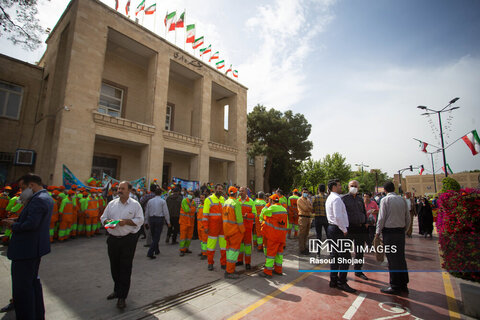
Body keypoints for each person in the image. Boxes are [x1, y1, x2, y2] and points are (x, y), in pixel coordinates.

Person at [3, 173, 53, 319]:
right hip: (34, 248)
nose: (21, 190)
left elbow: (31, 224)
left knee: (22, 288)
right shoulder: (44, 197)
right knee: (32, 284)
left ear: (31, 185)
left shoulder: (38, 200)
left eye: (22, 187)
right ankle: (36, 314)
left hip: (27, 250)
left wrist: (14, 225)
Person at [100, 181, 144, 309]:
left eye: (123, 188)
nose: (120, 190)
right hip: (113, 240)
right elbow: (103, 218)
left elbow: (140, 220)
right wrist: (107, 221)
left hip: (128, 241)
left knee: (125, 268)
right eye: (119, 188)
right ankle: (117, 289)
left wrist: (126, 222)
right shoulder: (112, 204)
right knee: (114, 266)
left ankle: (122, 297)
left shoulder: (135, 205)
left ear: (129, 190)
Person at [376, 181, 410, 295]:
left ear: (385, 190)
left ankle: (395, 285)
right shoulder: (402, 200)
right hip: (400, 232)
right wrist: (404, 229)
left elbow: (381, 218)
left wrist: (377, 232)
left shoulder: (385, 200)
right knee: (401, 258)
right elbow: (408, 217)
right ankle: (404, 284)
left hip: (389, 232)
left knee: (392, 259)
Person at [326, 179, 356, 293]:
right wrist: (344, 229)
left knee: (335, 256)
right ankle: (341, 281)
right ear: (333, 187)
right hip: (338, 229)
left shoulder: (330, 198)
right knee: (345, 256)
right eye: (339, 185)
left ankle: (333, 280)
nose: (341, 187)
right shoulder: (337, 199)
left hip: (332, 228)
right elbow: (338, 216)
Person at [342, 180, 369, 281]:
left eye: (355, 186)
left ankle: (358, 270)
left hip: (360, 228)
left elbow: (363, 211)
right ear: (348, 187)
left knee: (360, 251)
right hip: (349, 228)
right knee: (346, 251)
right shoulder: (343, 199)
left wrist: (365, 221)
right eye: (352, 186)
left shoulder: (359, 199)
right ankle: (343, 274)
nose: (354, 187)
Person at [258, 194, 289, 278]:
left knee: (271, 253)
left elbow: (264, 212)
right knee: (279, 253)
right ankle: (278, 270)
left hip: (273, 235)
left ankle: (267, 272)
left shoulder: (271, 208)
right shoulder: (284, 209)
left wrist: (267, 205)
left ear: (271, 201)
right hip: (281, 235)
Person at [223, 187, 245, 279]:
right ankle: (230, 271)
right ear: (236, 194)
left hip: (227, 230)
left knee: (229, 250)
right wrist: (242, 230)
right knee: (234, 251)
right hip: (235, 231)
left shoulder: (225, 202)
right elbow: (239, 219)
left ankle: (229, 268)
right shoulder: (236, 203)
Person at [203, 184, 227, 271]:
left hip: (222, 227)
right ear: (215, 189)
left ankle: (223, 263)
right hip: (212, 227)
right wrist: (205, 226)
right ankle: (210, 263)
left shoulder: (223, 199)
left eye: (221, 189)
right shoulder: (208, 199)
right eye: (219, 189)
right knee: (211, 246)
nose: (220, 190)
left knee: (223, 246)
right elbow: (205, 214)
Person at [145, 188, 171, 259]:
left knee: (154, 235)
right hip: (159, 219)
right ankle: (150, 252)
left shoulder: (150, 201)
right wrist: (168, 221)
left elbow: (147, 211)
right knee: (157, 236)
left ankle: (156, 250)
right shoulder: (162, 201)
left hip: (151, 219)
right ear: (161, 194)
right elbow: (166, 212)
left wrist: (146, 221)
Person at [236, 187, 256, 269]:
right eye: (240, 191)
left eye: (242, 191)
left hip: (248, 227)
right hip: (239, 227)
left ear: (246, 192)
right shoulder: (237, 201)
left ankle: (247, 262)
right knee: (240, 245)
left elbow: (254, 214)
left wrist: (247, 215)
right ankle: (240, 260)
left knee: (247, 245)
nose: (241, 192)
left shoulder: (251, 202)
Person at [179, 190, 196, 256]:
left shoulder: (193, 202)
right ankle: (182, 250)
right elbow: (187, 210)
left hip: (190, 222)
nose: (190, 195)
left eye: (192, 194)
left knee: (189, 237)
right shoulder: (184, 200)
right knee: (183, 237)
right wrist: (192, 209)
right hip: (184, 222)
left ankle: (186, 248)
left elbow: (194, 210)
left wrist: (191, 210)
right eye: (190, 194)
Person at [297, 188, 313, 255]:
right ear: (301, 192)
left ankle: (304, 247)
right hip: (302, 218)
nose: (305, 193)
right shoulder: (300, 200)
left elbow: (311, 208)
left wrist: (308, 207)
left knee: (306, 234)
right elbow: (305, 208)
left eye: (306, 192)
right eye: (304, 192)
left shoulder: (308, 200)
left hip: (308, 218)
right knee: (302, 234)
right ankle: (302, 249)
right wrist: (308, 207)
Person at [196, 194, 208, 260]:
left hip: (204, 226)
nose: (201, 199)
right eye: (200, 198)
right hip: (199, 225)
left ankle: (205, 254)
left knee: (204, 240)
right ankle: (203, 251)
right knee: (201, 240)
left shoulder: (206, 206)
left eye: (203, 198)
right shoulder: (200, 206)